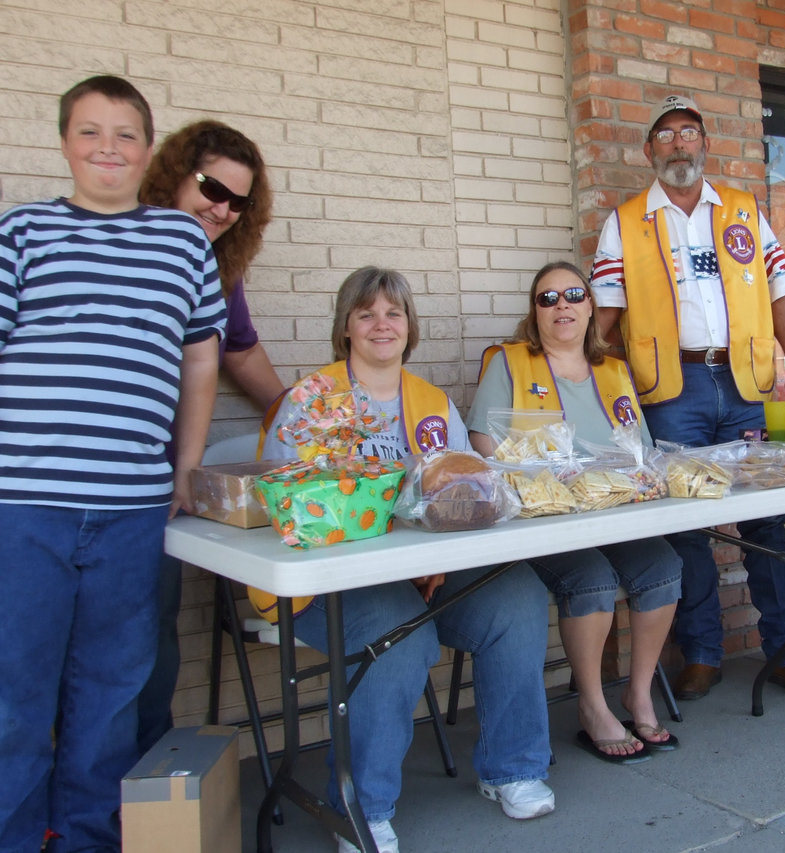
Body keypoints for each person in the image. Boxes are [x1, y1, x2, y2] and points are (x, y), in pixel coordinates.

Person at [0, 76, 225, 851]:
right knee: (13, 697)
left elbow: (201, 358)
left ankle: (89, 839)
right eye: (90, 131)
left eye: (125, 133)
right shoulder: (22, 231)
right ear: (64, 142)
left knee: (109, 697)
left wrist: (186, 463)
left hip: (133, 509)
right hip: (23, 505)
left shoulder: (181, 240)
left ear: (147, 147)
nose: (107, 148)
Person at [259, 267, 554, 853]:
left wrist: (442, 550)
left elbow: (471, 495)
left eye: (393, 313)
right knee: (400, 633)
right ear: (345, 326)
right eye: (365, 313)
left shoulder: (432, 404)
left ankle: (514, 769)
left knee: (518, 596)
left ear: (410, 326)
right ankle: (361, 809)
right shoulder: (308, 403)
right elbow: (288, 505)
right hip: (330, 584)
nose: (381, 324)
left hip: (424, 577)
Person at [590, 94, 785, 702]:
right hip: (672, 391)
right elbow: (605, 319)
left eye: (688, 133)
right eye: (665, 135)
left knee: (769, 521)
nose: (678, 144)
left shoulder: (745, 211)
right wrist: (591, 381)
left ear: (704, 144)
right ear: (649, 152)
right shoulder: (627, 220)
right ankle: (701, 653)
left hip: (749, 388)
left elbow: (778, 296)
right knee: (684, 528)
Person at [468, 261, 683, 763]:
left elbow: (641, 450)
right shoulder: (509, 362)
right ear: (535, 313)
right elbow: (481, 442)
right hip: (546, 519)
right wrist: (538, 473)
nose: (561, 305)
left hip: (612, 511)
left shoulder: (614, 370)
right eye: (547, 298)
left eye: (572, 295)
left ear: (590, 307)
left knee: (663, 567)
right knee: (592, 577)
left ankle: (637, 692)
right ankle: (591, 705)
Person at [136, 119, 285, 755]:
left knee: (148, 636)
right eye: (209, 188)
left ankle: (140, 799)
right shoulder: (120, 241)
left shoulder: (219, 267)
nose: (221, 209)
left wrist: (295, 412)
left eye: (238, 201)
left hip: (166, 482)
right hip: (83, 473)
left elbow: (237, 351)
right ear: (173, 174)